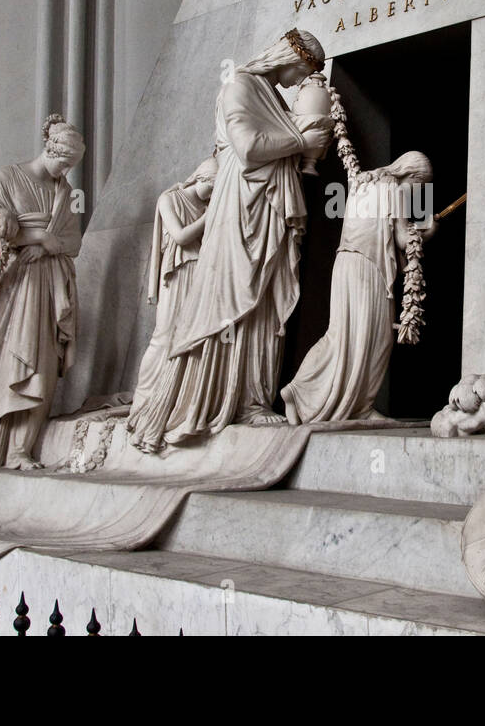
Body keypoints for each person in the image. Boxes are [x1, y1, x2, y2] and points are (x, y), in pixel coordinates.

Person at [143, 30, 332, 448]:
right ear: (288, 56)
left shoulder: (273, 97)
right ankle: (217, 400)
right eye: (304, 69)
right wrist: (301, 140)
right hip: (241, 205)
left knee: (264, 304)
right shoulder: (240, 84)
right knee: (234, 296)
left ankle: (252, 400)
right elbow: (247, 147)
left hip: (269, 208)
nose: (302, 80)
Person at [0, 114, 85, 469]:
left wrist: (50, 246)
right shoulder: (8, 177)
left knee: (43, 366)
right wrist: (37, 236)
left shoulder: (63, 191)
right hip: (12, 281)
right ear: (49, 149)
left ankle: (20, 450)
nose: (65, 173)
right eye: (63, 164)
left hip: (49, 284)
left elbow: (74, 241)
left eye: (70, 167)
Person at [283, 152, 433, 424]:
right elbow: (402, 239)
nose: (416, 194)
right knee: (379, 338)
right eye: (419, 188)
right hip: (368, 267)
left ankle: (297, 390)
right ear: (411, 176)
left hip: (345, 263)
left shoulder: (364, 182)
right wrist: (429, 229)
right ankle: (360, 407)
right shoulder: (394, 189)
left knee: (339, 335)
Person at [126, 157, 218, 453]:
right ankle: (142, 404)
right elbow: (179, 236)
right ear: (201, 178)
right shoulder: (170, 198)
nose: (213, 195)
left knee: (187, 341)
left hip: (198, 274)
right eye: (212, 188)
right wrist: (209, 217)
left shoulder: (206, 206)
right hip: (177, 273)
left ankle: (175, 402)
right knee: (163, 337)